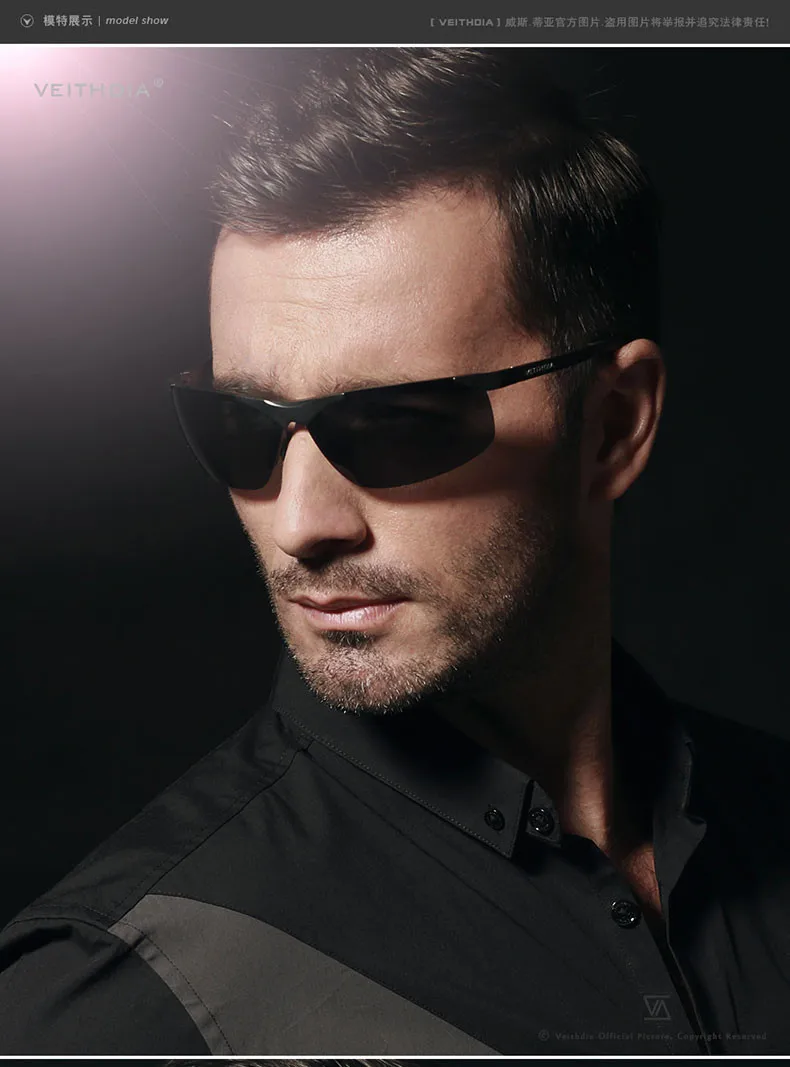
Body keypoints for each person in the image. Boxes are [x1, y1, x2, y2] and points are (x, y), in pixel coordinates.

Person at [0, 46, 787, 1056]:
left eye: (397, 422)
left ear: (614, 425)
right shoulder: (113, 1002)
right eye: (238, 425)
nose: (300, 523)